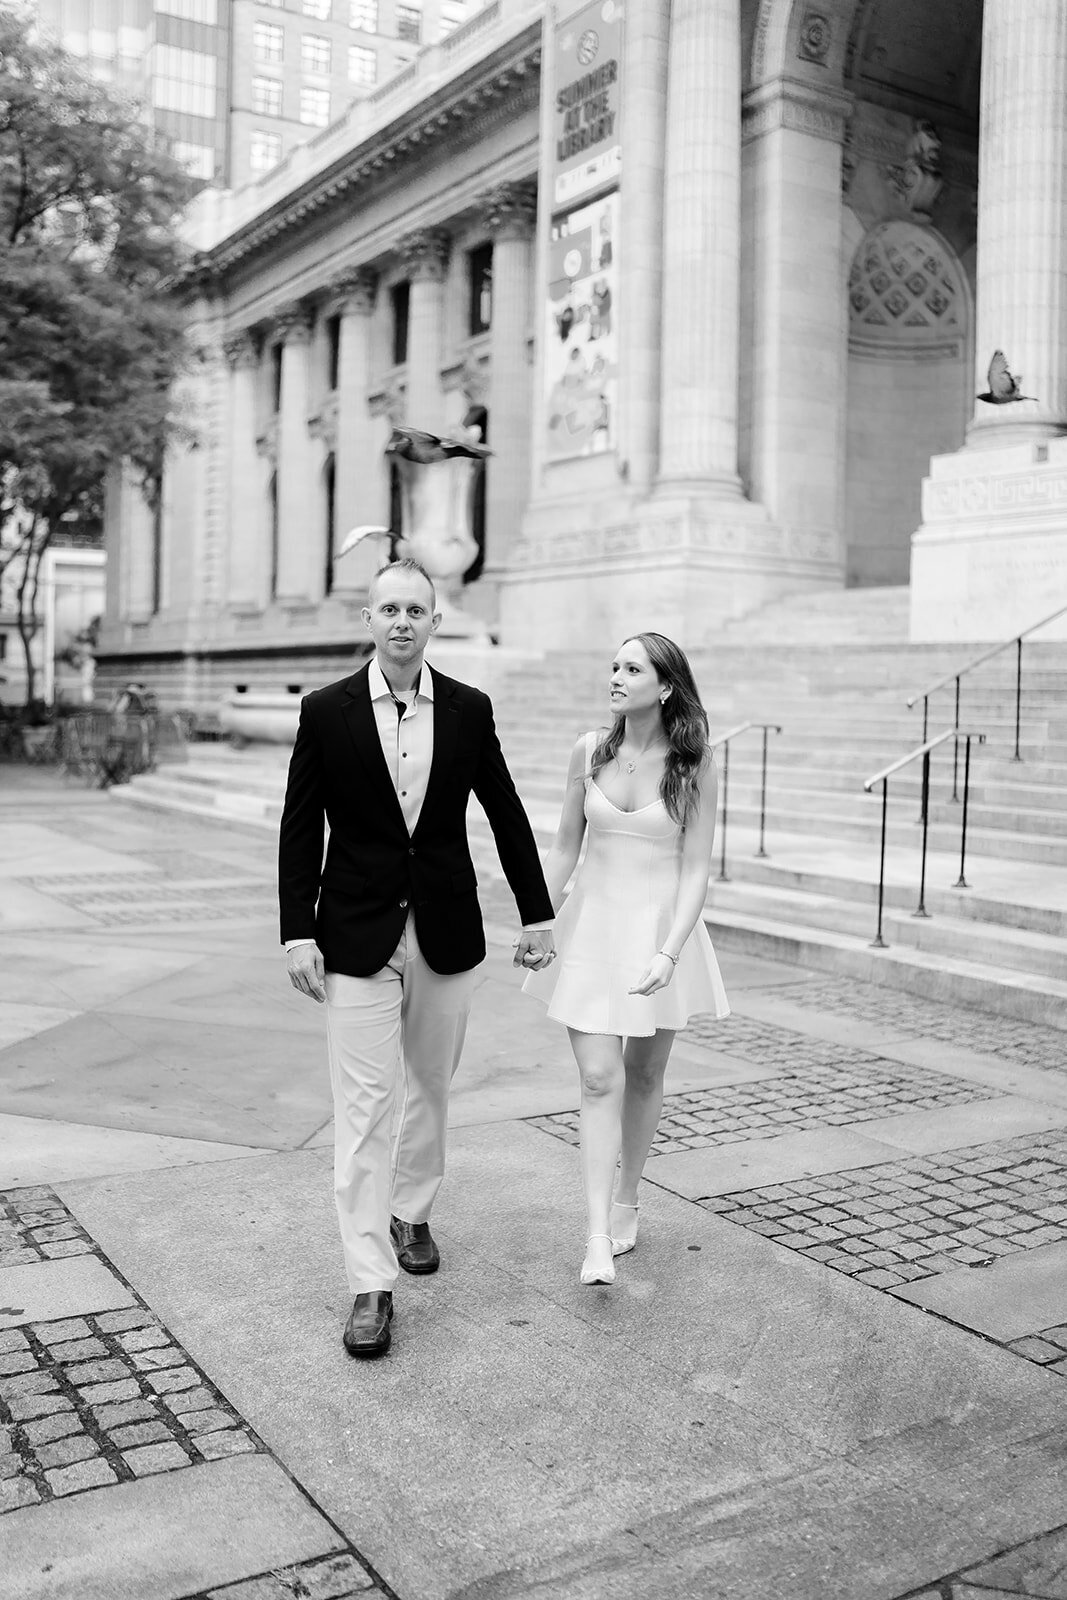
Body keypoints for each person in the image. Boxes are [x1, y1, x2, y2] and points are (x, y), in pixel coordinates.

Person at [279, 559, 555, 1357]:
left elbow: (504, 812)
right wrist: (298, 931)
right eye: (388, 609)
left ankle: (412, 1208)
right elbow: (302, 828)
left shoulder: (469, 709)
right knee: (363, 1109)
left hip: (444, 928)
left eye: (416, 610)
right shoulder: (324, 712)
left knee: (429, 1086)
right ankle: (369, 1283)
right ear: (368, 620)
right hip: (354, 934)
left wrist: (537, 913)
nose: (402, 622)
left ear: (436, 623)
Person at [523, 632, 729, 1285]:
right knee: (595, 1080)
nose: (615, 676)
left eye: (631, 668)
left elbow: (697, 869)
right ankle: (594, 1237)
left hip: (661, 936)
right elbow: (562, 848)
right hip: (590, 931)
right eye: (613, 665)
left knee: (642, 1076)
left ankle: (627, 1199)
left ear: (665, 686)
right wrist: (536, 916)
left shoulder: (694, 764)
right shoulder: (588, 751)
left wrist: (670, 952)